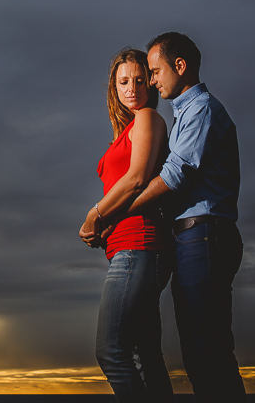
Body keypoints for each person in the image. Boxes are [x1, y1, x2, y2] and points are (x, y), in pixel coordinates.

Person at [115, 32, 246, 401]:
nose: (152, 80)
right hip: (193, 236)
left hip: (204, 234)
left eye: (154, 71)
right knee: (198, 350)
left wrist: (116, 213)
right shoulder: (186, 114)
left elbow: (176, 174)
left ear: (180, 66)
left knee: (209, 349)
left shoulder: (201, 109)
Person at [79, 47, 173, 401]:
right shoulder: (129, 129)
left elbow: (136, 179)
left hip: (140, 247)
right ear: (113, 88)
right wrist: (104, 228)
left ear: (149, 82)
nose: (131, 88)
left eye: (138, 79)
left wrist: (95, 215)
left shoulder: (148, 117)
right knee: (145, 356)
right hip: (129, 247)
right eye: (123, 81)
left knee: (112, 353)